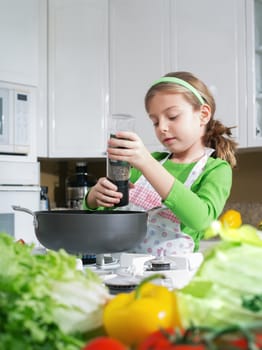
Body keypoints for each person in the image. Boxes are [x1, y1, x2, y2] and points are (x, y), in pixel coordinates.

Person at [83, 71, 237, 255]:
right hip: (126, 269)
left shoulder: (216, 169)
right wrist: (92, 200)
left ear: (203, 114)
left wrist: (147, 163)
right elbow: (104, 221)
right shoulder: (148, 163)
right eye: (155, 122)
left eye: (172, 116)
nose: (162, 128)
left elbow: (201, 219)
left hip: (175, 275)